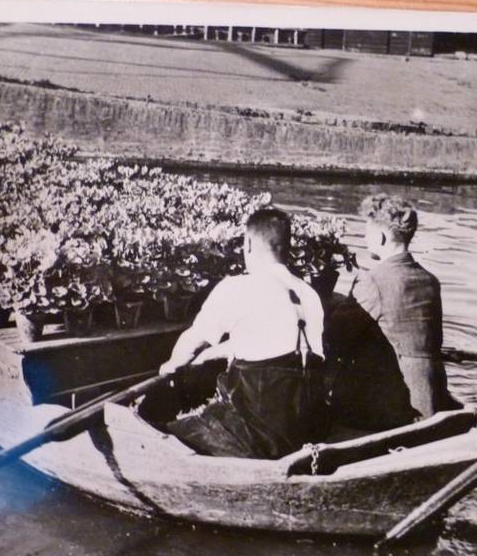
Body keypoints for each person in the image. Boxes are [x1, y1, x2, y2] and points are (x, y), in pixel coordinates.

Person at [148, 207, 327, 460]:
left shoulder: (237, 287)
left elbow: (193, 341)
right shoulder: (309, 295)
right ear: (286, 246)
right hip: (301, 429)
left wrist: (171, 366)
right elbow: (270, 344)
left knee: (159, 436)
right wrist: (211, 354)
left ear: (249, 244)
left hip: (253, 437)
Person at [325, 194, 456, 432]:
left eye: (366, 232)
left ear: (381, 237)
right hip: (435, 395)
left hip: (397, 402)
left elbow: (334, 337)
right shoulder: (430, 281)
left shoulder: (372, 280)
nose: (365, 237)